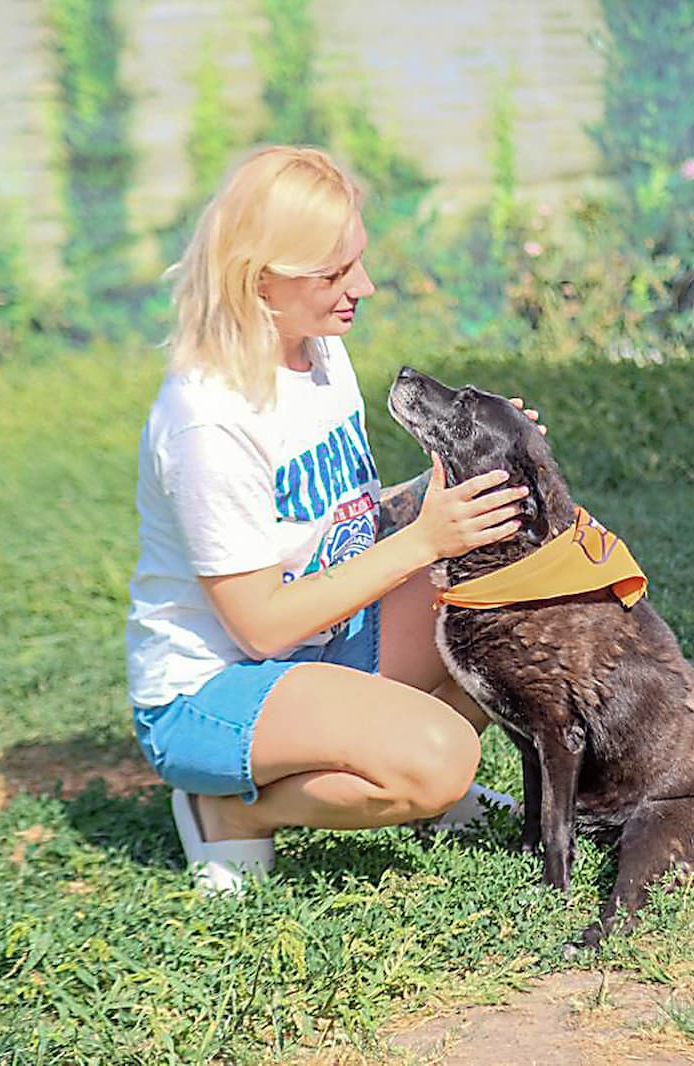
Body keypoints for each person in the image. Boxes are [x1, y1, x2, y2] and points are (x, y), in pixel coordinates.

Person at [126, 145, 538, 891]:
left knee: (505, 595)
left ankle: (400, 779)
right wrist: (425, 540)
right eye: (334, 274)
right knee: (440, 757)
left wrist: (454, 489)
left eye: (358, 262)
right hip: (213, 690)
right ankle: (229, 812)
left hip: (323, 642)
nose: (364, 287)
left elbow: (343, 522)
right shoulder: (207, 420)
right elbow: (261, 627)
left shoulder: (316, 350)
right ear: (259, 278)